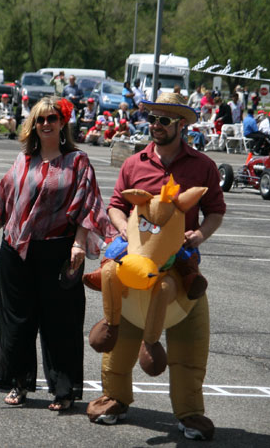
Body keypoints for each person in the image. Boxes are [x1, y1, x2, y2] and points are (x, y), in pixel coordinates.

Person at [88, 91, 225, 441]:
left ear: (181, 124)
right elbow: (116, 205)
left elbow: (215, 211)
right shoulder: (134, 163)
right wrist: (122, 227)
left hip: (179, 265)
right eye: (151, 119)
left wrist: (200, 234)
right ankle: (115, 398)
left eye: (163, 120)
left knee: (190, 345)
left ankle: (190, 412)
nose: (155, 125)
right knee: (122, 339)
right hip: (138, 265)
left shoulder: (203, 165)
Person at [0, 96, 113, 409]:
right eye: (40, 119)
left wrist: (77, 244)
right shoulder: (23, 160)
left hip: (59, 251)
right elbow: (5, 203)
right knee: (17, 322)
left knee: (60, 322)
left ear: (62, 124)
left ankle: (63, 389)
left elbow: (87, 207)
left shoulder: (77, 161)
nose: (46, 124)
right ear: (33, 125)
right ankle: (19, 383)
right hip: (15, 251)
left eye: (52, 119)